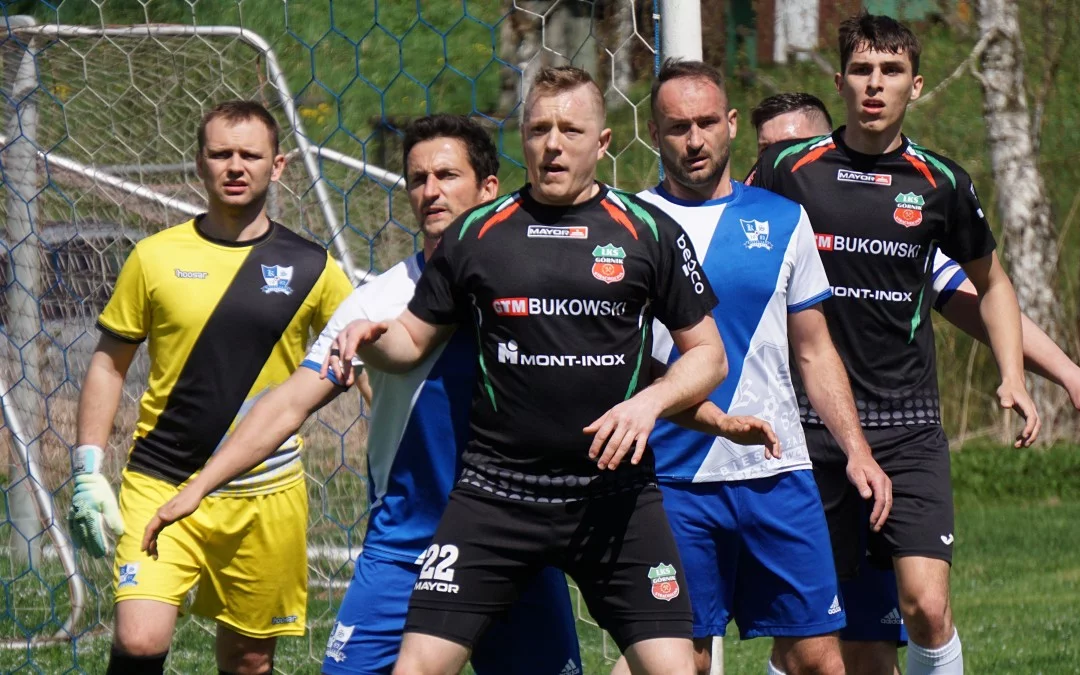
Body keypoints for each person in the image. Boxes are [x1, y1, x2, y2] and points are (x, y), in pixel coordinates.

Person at [142, 114, 586, 675]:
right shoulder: (377, 302)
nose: (431, 191)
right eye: (418, 179)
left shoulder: (539, 290)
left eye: (447, 175)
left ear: (488, 188)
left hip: (515, 542)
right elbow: (289, 402)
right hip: (407, 546)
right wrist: (200, 486)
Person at [326, 65, 730, 675]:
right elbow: (410, 339)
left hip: (614, 496)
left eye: (571, 130)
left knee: (676, 670)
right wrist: (370, 340)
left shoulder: (650, 232)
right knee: (416, 669)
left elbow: (708, 356)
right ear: (521, 137)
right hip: (496, 495)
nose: (553, 144)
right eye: (539, 129)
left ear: (603, 142)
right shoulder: (477, 233)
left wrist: (647, 405)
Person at [750, 90, 1080, 674]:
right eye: (764, 152)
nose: (776, 165)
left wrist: (1070, 375)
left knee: (883, 640)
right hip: (799, 445)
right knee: (805, 644)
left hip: (895, 439)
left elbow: (975, 299)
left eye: (790, 148)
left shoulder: (889, 218)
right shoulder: (753, 235)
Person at [751, 13, 1041, 675]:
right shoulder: (788, 169)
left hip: (907, 425)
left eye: (891, 70)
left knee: (927, 606)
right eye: (861, 70)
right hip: (809, 427)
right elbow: (736, 244)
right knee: (805, 639)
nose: (875, 84)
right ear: (840, 82)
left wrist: (1013, 374)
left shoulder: (941, 183)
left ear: (917, 84)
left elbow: (993, 285)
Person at [613, 59, 891, 675]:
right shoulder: (628, 224)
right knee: (679, 662)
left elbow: (815, 350)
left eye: (707, 123)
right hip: (670, 481)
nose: (694, 140)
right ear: (653, 133)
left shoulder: (784, 219)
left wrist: (857, 450)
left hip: (777, 473)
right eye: (677, 127)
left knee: (819, 660)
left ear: (732, 124)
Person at [69, 100, 354, 675]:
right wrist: (87, 469)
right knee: (139, 639)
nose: (235, 166)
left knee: (248, 660)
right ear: (199, 163)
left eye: (251, 155)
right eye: (221, 153)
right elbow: (109, 365)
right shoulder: (154, 257)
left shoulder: (314, 268)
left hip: (266, 493)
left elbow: (367, 360)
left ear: (278, 166)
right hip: (161, 477)